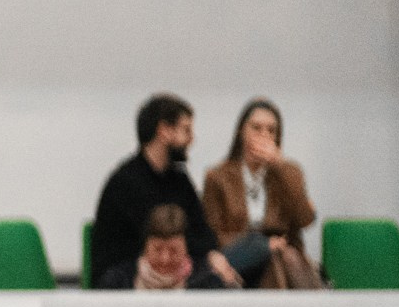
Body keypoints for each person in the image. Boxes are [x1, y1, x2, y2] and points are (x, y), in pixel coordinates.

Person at [91, 94, 239, 289]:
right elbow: (157, 237)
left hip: (177, 271)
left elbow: (202, 232)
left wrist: (211, 254)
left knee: (221, 277)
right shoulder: (124, 182)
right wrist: (205, 255)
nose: (191, 139)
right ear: (164, 131)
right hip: (127, 280)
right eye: (186, 130)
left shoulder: (179, 179)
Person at [200, 98, 323, 290]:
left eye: (271, 130)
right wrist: (262, 245)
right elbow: (211, 232)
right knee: (266, 257)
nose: (264, 135)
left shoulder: (290, 172)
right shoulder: (218, 176)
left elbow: (305, 219)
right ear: (242, 131)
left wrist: (280, 167)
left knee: (279, 261)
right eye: (256, 128)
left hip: (283, 258)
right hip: (239, 257)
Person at [97, 204, 230, 290]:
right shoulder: (117, 282)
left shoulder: (208, 284)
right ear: (145, 247)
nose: (165, 259)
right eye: (157, 249)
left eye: (174, 250)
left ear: (186, 248)